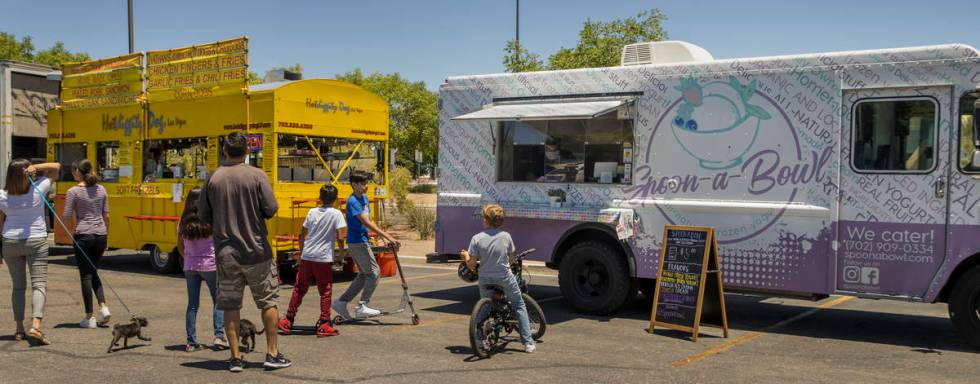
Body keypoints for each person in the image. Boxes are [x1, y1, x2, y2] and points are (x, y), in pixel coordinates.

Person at [198, 132, 290, 372]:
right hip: (257, 252)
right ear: (247, 151)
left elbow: (203, 215)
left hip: (226, 254)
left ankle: (236, 357)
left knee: (230, 305)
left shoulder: (213, 178)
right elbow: (270, 209)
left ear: (224, 150)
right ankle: (271, 353)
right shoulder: (257, 175)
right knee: (268, 302)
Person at [460, 204, 535, 353]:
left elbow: (472, 266)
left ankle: (479, 339)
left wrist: (465, 256)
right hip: (504, 277)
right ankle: (528, 342)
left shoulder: (476, 238)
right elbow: (511, 259)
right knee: (519, 304)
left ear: (486, 220)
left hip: (485, 279)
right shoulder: (506, 236)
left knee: (485, 307)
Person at [0, 159, 60, 346]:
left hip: (10, 241)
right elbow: (56, 167)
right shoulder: (38, 188)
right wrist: (38, 167)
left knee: (18, 287)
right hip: (36, 240)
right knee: (39, 284)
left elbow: (0, 222)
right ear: (28, 172)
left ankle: (19, 329)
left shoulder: (2, 195)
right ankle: (35, 326)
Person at [278, 184, 344, 337]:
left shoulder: (312, 212)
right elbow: (340, 237)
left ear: (319, 198)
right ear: (335, 200)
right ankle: (324, 323)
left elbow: (302, 234)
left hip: (308, 255)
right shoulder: (336, 214)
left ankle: (288, 320)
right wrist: (340, 255)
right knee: (325, 291)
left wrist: (302, 253)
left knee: (299, 288)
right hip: (323, 257)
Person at [332, 171, 398, 321]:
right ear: (354, 184)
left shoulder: (364, 199)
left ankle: (341, 302)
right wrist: (387, 236)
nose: (366, 186)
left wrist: (384, 235)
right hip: (357, 241)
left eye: (366, 183)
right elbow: (365, 222)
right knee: (374, 273)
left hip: (362, 240)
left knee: (363, 275)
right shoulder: (353, 201)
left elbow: (370, 221)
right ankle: (362, 305)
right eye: (362, 184)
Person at [61, 159, 112, 329]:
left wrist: (71, 232)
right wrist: (107, 236)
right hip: (101, 235)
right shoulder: (101, 189)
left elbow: (67, 216)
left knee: (86, 275)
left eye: (73, 171)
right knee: (93, 271)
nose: (72, 174)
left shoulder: (73, 192)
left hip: (83, 235)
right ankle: (103, 307)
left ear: (78, 172)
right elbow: (107, 215)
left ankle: (89, 316)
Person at [178, 186, 228, 352]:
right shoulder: (211, 219)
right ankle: (219, 336)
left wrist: (189, 258)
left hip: (190, 266)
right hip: (210, 265)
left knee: (192, 305)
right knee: (218, 301)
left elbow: (180, 246)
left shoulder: (183, 221)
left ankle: (191, 342)